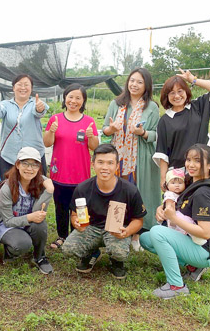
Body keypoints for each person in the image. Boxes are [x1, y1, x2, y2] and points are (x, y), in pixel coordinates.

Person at [152, 68, 210, 275]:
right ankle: (194, 257)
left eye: (181, 91)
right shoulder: (165, 121)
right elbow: (162, 154)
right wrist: (163, 178)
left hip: (203, 168)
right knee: (184, 213)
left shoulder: (197, 107)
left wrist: (193, 79)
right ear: (166, 97)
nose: (177, 96)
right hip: (179, 173)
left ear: (187, 91)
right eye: (172, 93)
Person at [141, 144, 210, 299]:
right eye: (188, 159)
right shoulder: (192, 182)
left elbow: (206, 232)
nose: (190, 165)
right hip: (194, 241)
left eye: (197, 161)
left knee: (157, 233)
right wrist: (161, 208)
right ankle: (192, 267)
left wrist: (173, 218)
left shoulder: (203, 193)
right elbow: (176, 199)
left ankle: (176, 286)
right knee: (145, 239)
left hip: (206, 250)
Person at [61, 144, 147, 279]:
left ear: (117, 166)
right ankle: (92, 253)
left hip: (116, 230)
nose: (105, 167)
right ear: (93, 164)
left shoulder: (130, 190)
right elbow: (74, 214)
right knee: (69, 248)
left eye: (110, 163)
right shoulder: (82, 188)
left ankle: (116, 262)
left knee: (119, 252)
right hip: (91, 228)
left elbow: (138, 219)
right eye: (100, 162)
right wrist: (75, 221)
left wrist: (128, 231)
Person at [102, 68, 161, 251]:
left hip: (140, 157)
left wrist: (143, 133)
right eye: (132, 80)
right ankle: (115, 231)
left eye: (139, 82)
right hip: (118, 157)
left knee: (138, 194)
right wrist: (112, 129)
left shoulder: (151, 107)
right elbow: (105, 129)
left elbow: (157, 134)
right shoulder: (117, 103)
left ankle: (136, 235)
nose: (134, 85)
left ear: (146, 86)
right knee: (118, 193)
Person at [43, 83, 99, 250]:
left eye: (78, 98)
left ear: (83, 101)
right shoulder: (56, 119)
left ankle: (79, 236)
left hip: (81, 175)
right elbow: (47, 143)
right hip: (59, 173)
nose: (73, 101)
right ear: (65, 98)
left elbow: (95, 147)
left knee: (80, 207)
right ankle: (62, 236)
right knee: (61, 207)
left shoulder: (89, 121)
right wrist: (51, 131)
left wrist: (91, 137)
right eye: (70, 97)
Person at [0, 147, 55, 274]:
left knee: (40, 226)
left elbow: (37, 211)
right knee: (22, 244)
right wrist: (30, 218)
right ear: (17, 164)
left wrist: (49, 192)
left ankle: (40, 257)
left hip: (29, 222)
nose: (29, 169)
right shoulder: (7, 188)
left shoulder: (43, 184)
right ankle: (9, 251)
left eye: (34, 165)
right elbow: (8, 221)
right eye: (25, 163)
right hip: (9, 226)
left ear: (39, 167)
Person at [0, 74, 49, 179]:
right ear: (13, 87)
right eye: (19, 84)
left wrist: (40, 109)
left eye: (26, 85)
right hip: (9, 157)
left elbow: (39, 112)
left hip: (34, 157)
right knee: (9, 189)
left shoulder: (36, 104)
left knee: (36, 190)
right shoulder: (6, 104)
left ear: (31, 88)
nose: (23, 88)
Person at [163, 168, 206, 246]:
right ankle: (195, 236)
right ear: (167, 185)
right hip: (174, 216)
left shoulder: (183, 194)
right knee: (187, 222)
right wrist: (172, 218)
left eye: (180, 183)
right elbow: (168, 208)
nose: (177, 185)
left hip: (178, 216)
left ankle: (193, 235)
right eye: (173, 183)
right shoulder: (169, 195)